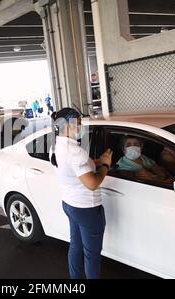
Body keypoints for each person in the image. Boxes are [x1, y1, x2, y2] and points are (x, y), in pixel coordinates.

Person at [50, 108, 112, 279]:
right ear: (68, 124)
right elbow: (92, 183)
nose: (81, 126)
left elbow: (74, 167)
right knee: (92, 256)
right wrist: (105, 165)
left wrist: (96, 161)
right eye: (78, 123)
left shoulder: (56, 146)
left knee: (76, 247)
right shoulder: (76, 152)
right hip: (87, 209)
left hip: (70, 205)